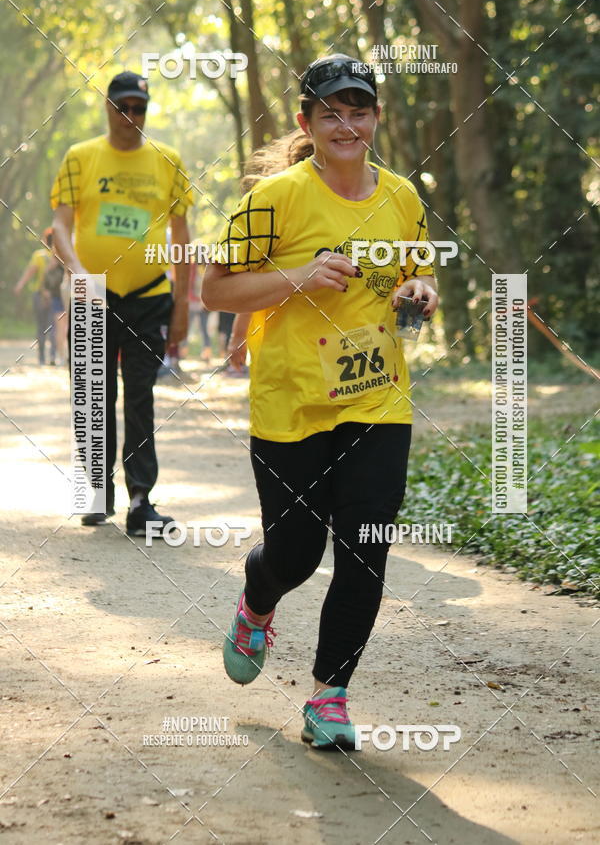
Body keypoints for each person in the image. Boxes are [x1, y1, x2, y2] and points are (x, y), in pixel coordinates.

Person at [203, 54, 439, 750]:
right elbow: (216, 290)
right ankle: (258, 595)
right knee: (297, 555)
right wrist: (298, 277)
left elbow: (417, 280)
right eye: (330, 112)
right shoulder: (273, 199)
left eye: (359, 110)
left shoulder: (402, 198)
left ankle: (329, 696)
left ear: (375, 119)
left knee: (366, 546)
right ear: (307, 122)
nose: (346, 123)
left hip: (376, 401)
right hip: (292, 403)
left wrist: (417, 297)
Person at [51, 70, 193, 532]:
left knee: (140, 397)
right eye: (122, 107)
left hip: (150, 296)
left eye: (139, 109)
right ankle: (94, 494)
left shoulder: (168, 161)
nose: (130, 117)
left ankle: (140, 501)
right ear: (108, 108)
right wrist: (78, 272)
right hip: (93, 293)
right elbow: (61, 229)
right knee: (93, 394)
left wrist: (182, 307)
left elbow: (181, 238)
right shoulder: (80, 157)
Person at [14, 229, 56, 365]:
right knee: (54, 326)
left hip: (40, 295)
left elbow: (30, 272)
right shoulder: (59, 256)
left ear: (45, 240)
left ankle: (42, 358)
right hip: (56, 296)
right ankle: (53, 356)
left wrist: (20, 285)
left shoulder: (39, 256)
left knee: (41, 326)